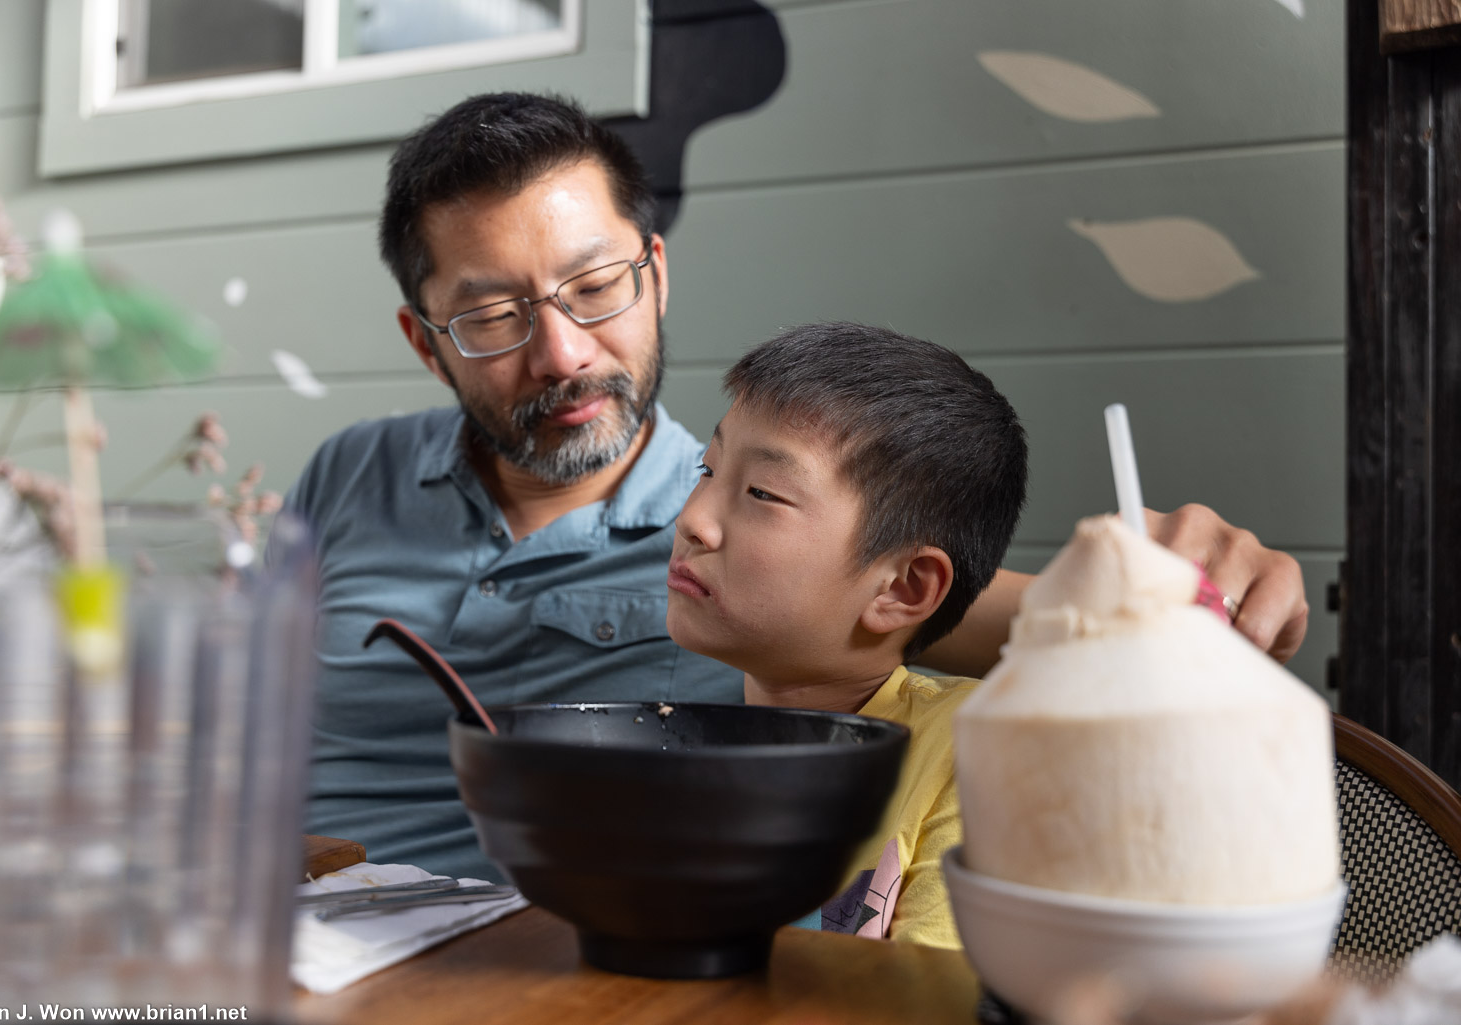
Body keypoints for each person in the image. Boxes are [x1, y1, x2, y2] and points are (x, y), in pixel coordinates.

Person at [282, 91, 1312, 882]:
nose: (562, 352)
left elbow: (1047, 614)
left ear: (655, 274)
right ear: (428, 345)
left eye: (594, 289)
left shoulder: (769, 551)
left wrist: (1190, 583)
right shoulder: (348, 471)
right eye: (495, 315)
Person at [666, 322, 1023, 948]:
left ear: (902, 589)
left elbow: (928, 999)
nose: (693, 521)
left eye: (762, 493)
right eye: (707, 469)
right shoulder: (684, 761)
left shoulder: (987, 750)